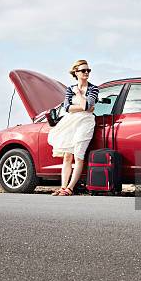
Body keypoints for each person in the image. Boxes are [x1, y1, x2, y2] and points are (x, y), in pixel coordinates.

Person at [48, 59, 99, 196]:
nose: (86, 73)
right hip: (71, 122)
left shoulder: (93, 88)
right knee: (67, 156)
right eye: (83, 70)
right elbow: (67, 108)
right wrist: (83, 106)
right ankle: (63, 187)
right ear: (76, 73)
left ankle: (70, 188)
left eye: (88, 70)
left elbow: (87, 106)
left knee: (79, 156)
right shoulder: (70, 88)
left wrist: (78, 94)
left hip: (86, 123)